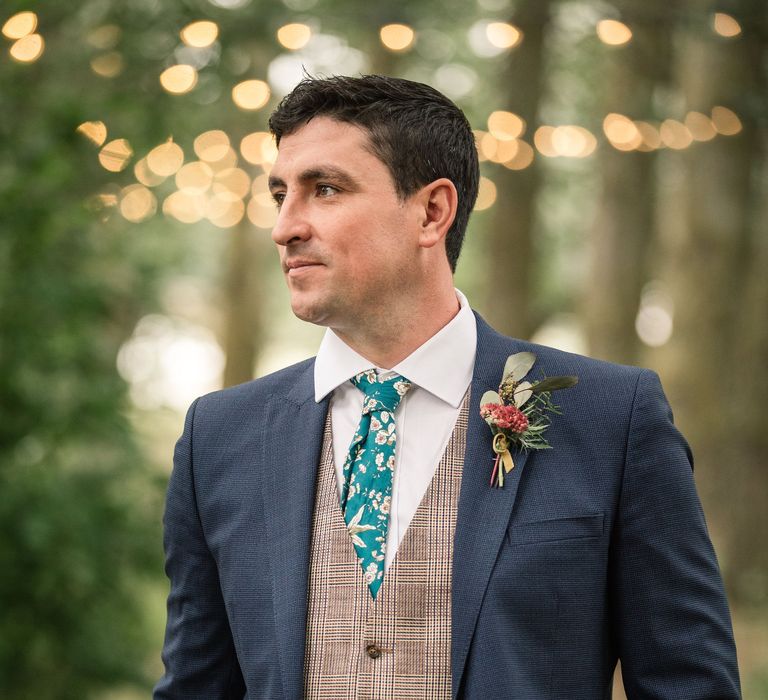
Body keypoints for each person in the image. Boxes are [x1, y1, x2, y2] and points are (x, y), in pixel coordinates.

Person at [154, 75, 740, 699]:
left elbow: (689, 685)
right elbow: (196, 686)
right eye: (280, 195)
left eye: (324, 189)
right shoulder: (219, 436)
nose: (285, 227)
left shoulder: (610, 418)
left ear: (432, 211)